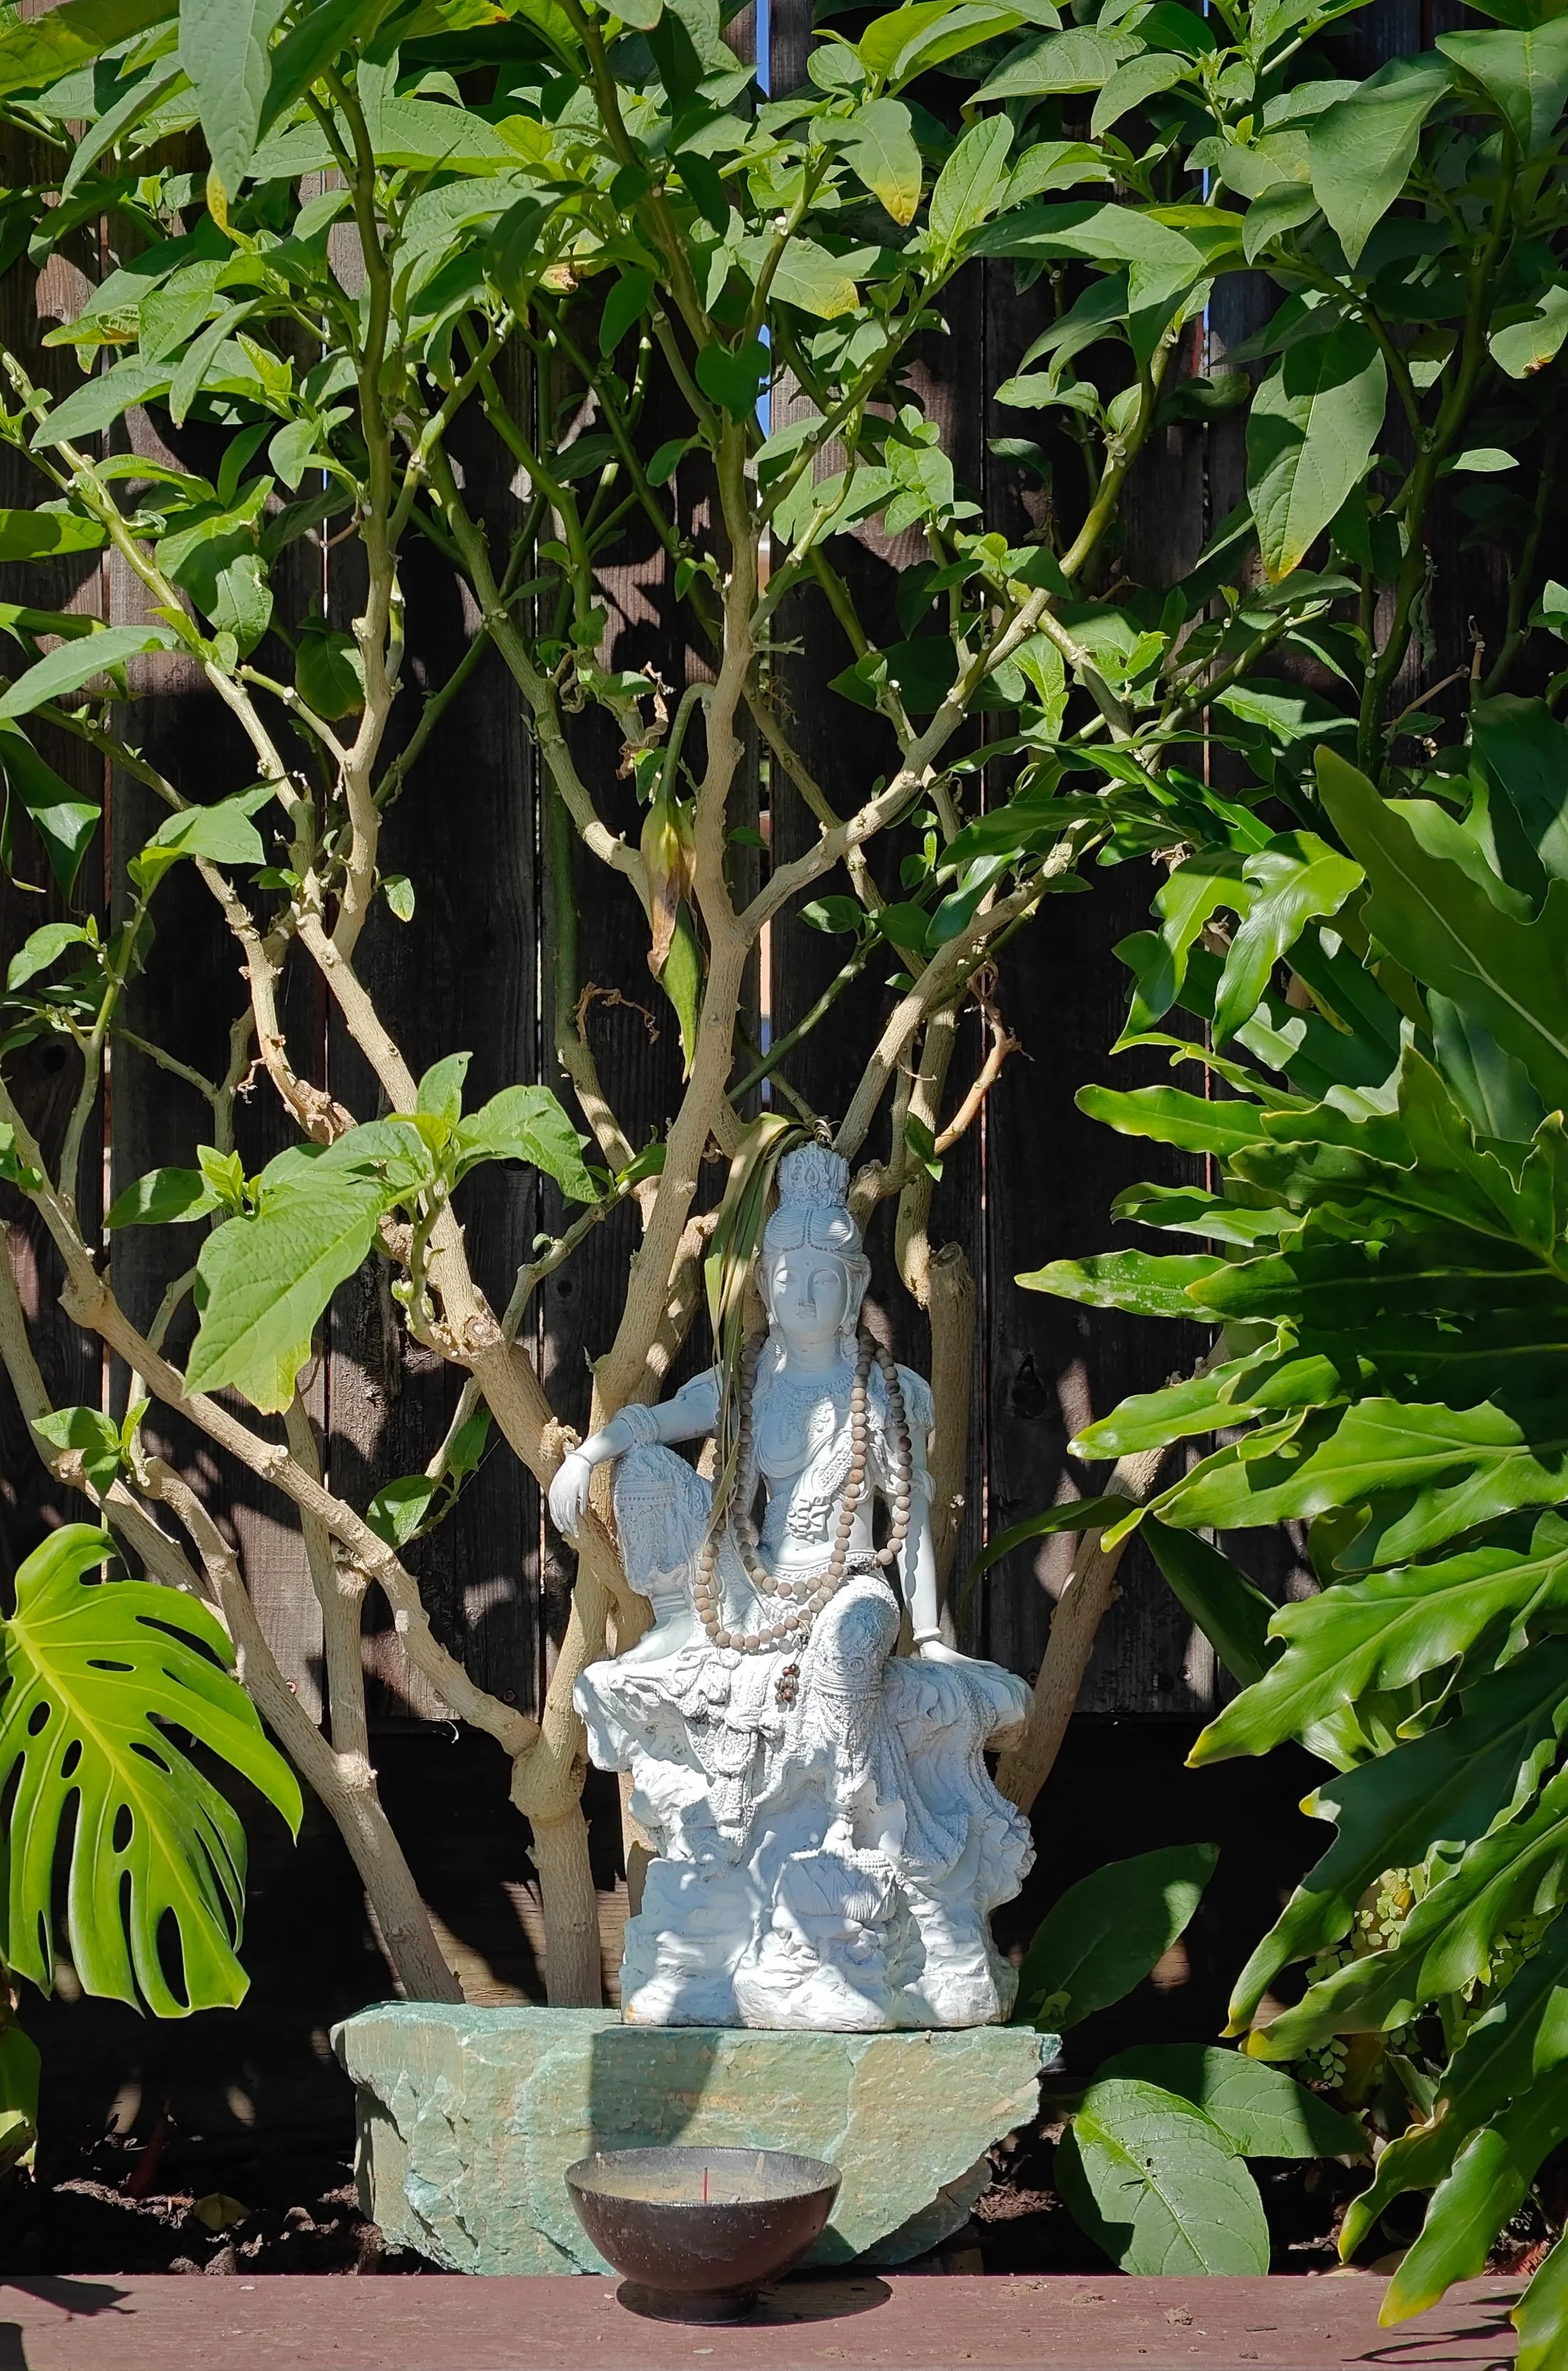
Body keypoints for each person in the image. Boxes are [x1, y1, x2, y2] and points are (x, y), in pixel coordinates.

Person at [552, 1145, 1032, 2030]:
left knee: (851, 1645)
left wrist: (929, 1641)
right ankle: (732, 1906)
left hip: (849, 1581)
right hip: (757, 1588)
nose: (802, 1295)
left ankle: (855, 1807)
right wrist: (588, 1456)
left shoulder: (887, 1389)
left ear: (852, 1290)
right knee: (654, 1471)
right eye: (785, 1276)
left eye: (821, 1277)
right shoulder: (749, 1380)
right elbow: (652, 1422)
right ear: (765, 1287)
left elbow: (912, 1525)